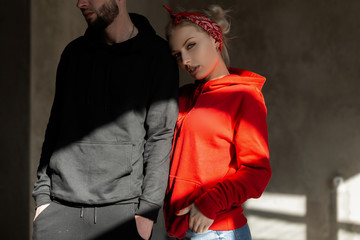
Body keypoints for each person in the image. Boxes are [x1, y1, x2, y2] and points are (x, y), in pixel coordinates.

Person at [32, 0, 179, 239]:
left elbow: (160, 135)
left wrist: (148, 210)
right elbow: (55, 127)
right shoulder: (73, 53)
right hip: (59, 210)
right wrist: (42, 199)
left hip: (126, 212)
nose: (80, 3)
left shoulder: (157, 56)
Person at [162, 5, 272, 240]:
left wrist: (208, 204)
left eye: (191, 45)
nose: (186, 60)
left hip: (218, 230)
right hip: (182, 229)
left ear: (214, 38)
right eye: (177, 54)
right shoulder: (182, 97)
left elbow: (257, 172)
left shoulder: (244, 97)